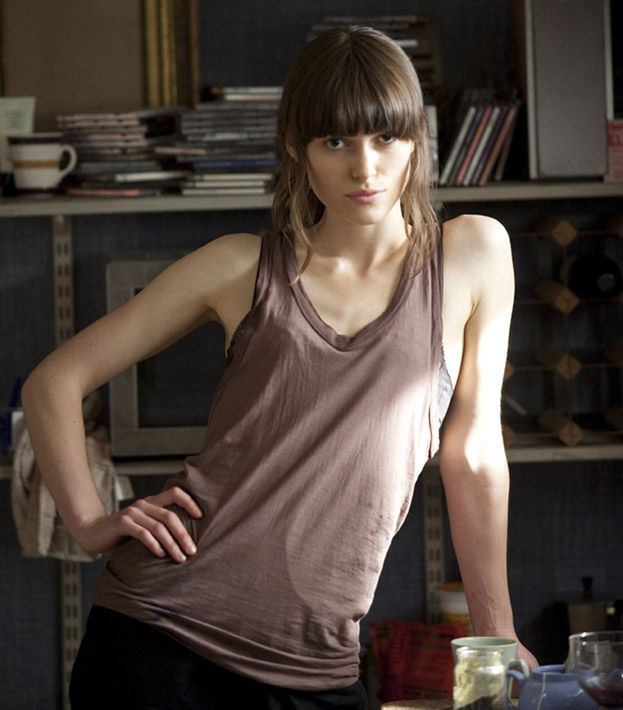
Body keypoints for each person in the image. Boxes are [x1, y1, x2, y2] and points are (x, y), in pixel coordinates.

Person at [21, 26, 538, 710]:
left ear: (417, 139)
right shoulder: (239, 266)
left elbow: (472, 454)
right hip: (160, 644)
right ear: (297, 146)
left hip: (316, 663)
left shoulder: (472, 253)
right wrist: (90, 523)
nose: (365, 168)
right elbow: (52, 383)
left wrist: (497, 632)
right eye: (335, 142)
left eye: (386, 137)